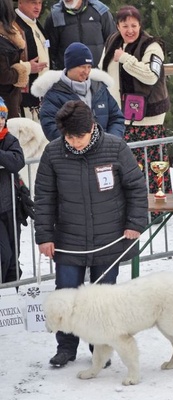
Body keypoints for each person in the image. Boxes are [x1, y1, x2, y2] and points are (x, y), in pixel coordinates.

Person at [34, 100, 147, 367]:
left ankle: (101, 348)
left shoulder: (115, 147)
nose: (74, 142)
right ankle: (66, 347)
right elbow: (44, 198)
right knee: (66, 294)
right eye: (69, 137)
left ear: (92, 127)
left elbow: (136, 188)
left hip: (108, 238)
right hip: (68, 240)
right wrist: (44, 236)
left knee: (102, 299)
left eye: (79, 136)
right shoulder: (53, 154)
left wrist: (135, 222)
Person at [100, 5, 172, 198]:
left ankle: (157, 207)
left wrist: (126, 59)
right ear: (117, 26)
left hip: (149, 117)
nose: (129, 30)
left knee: (152, 165)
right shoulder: (112, 41)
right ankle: (131, 206)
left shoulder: (153, 46)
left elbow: (150, 76)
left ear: (140, 25)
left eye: (134, 25)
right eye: (125, 25)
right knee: (127, 166)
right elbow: (102, 70)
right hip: (120, 116)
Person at [30, 42, 124, 142]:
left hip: (104, 151)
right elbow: (50, 127)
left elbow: (116, 118)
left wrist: (111, 141)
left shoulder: (100, 88)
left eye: (89, 67)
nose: (87, 71)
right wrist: (77, 144)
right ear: (70, 66)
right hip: (73, 154)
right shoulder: (54, 95)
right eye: (82, 67)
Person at [43, 0, 115, 70]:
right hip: (68, 76)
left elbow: (113, 42)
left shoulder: (100, 11)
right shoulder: (55, 16)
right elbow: (49, 50)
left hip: (96, 74)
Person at [0, 96, 26, 284]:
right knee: (4, 254)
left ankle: (12, 300)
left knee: (13, 256)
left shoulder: (9, 139)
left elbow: (17, 161)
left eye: (2, 117)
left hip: (10, 207)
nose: (0, 121)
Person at [14, 0, 49, 121]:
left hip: (42, 96)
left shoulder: (36, 24)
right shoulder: (12, 26)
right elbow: (5, 62)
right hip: (23, 99)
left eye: (40, 3)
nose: (37, 7)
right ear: (21, 2)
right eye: (33, 3)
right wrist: (28, 67)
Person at [0, 0, 30, 119]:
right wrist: (22, 70)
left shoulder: (8, 36)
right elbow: (3, 75)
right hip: (4, 105)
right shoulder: (3, 43)